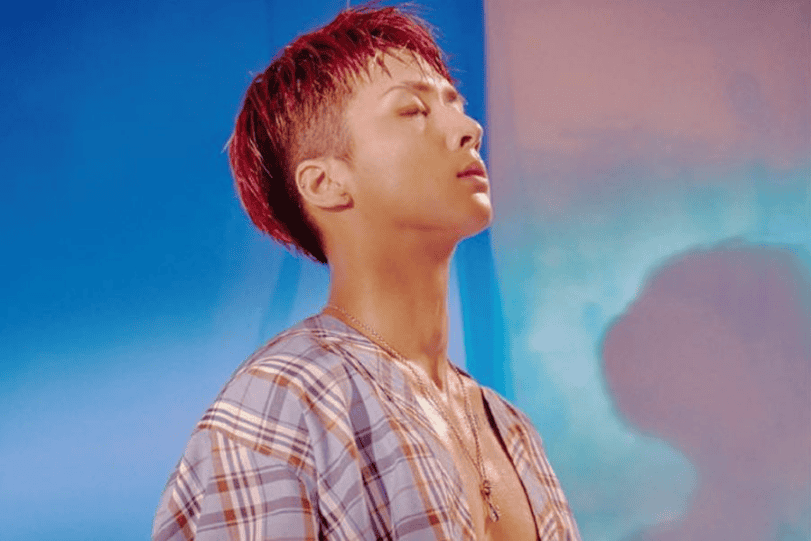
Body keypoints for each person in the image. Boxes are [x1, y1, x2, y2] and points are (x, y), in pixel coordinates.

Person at [152, 5, 581, 540]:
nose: (470, 129)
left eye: (456, 105)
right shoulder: (282, 404)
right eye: (412, 110)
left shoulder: (512, 429)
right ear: (325, 183)